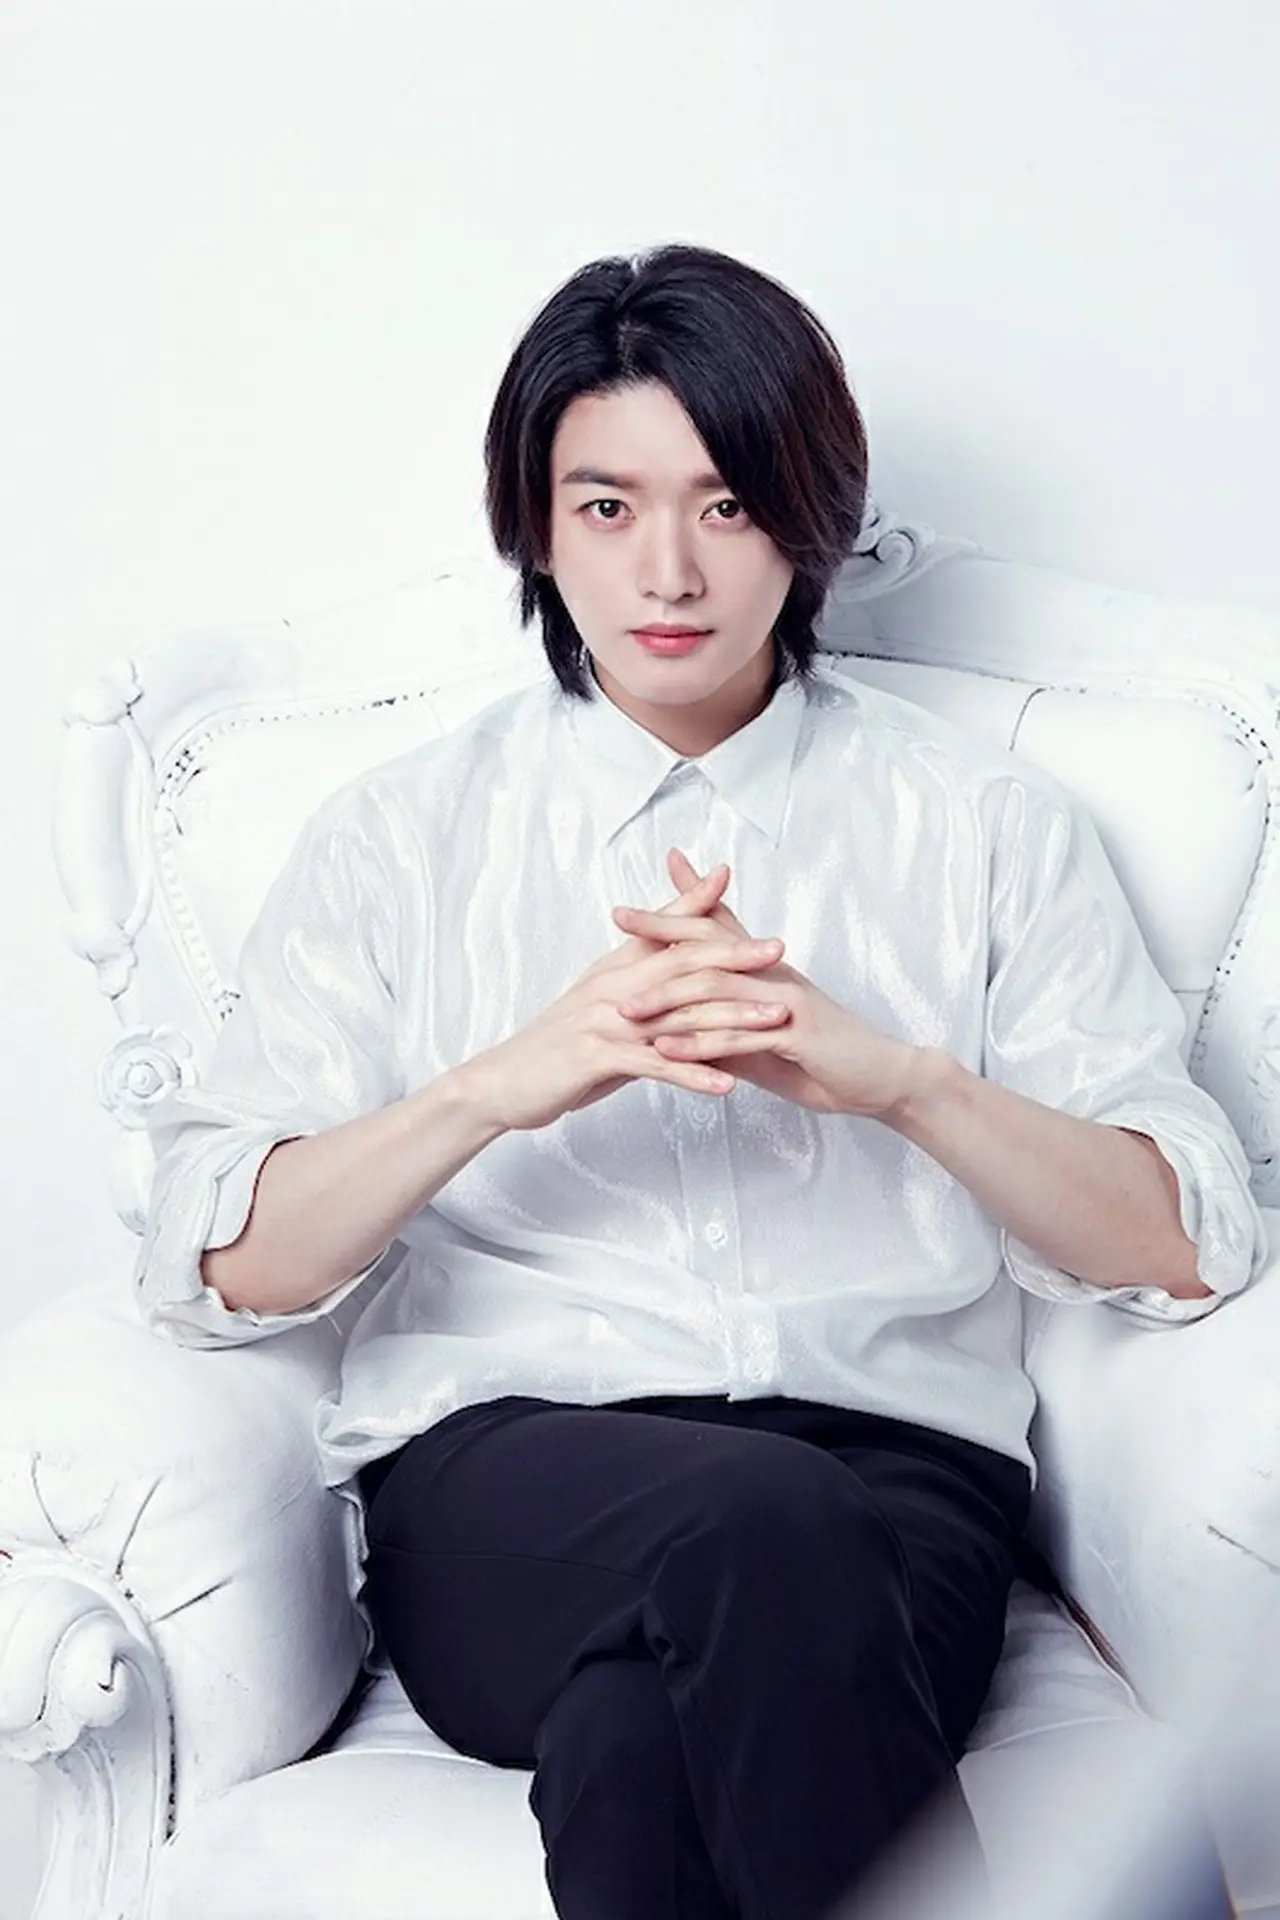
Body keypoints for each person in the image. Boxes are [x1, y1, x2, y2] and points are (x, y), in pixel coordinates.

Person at [135, 244, 1268, 1919]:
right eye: (606, 507)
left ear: (808, 520)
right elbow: (218, 1265)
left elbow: (1181, 1243)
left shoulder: (979, 826)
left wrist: (900, 1083)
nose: (667, 570)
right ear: (535, 526)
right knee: (760, 1525)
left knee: (636, 1753)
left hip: (900, 1493)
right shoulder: (398, 839)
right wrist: (499, 1087)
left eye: (727, 505)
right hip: (504, 1496)